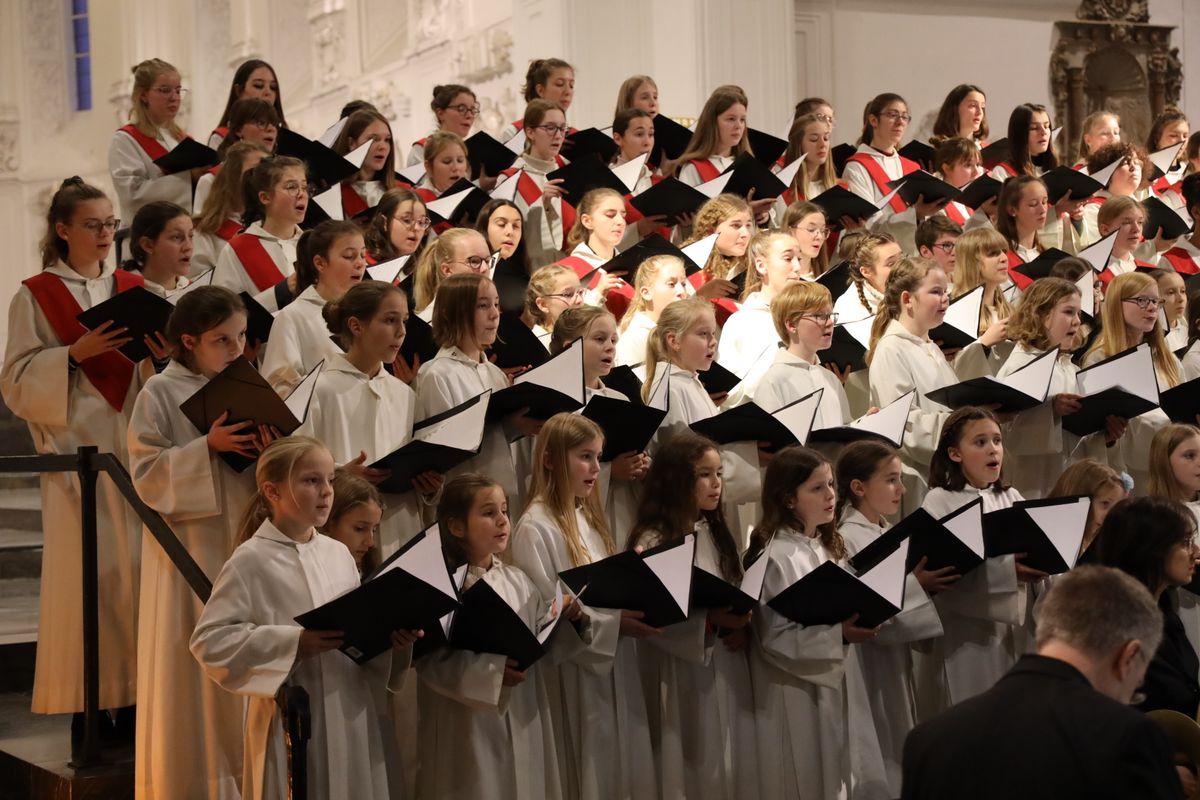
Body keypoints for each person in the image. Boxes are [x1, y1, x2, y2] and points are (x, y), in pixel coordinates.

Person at [190, 436, 415, 800]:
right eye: (311, 481)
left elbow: (356, 631)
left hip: (348, 709)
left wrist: (391, 641)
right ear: (272, 491)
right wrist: (293, 643)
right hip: (293, 715)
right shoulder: (251, 560)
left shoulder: (338, 554)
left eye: (329, 480)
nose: (326, 492)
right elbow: (210, 642)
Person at [1, 178, 144, 727]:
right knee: (91, 580)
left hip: (134, 446)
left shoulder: (133, 286)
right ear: (63, 231)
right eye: (93, 225)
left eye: (111, 224)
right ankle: (91, 704)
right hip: (77, 454)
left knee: (135, 575)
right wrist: (72, 355)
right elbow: (14, 379)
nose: (106, 234)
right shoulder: (36, 294)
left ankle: (137, 696)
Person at [127, 286, 268, 799]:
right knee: (192, 675)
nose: (236, 351)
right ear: (187, 341)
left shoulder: (245, 385)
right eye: (222, 341)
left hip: (242, 539)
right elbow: (144, 475)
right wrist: (205, 448)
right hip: (192, 546)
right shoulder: (160, 393)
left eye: (242, 339)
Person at [901, 564, 1183, 800]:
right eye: (1137, 684)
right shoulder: (1128, 737)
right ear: (1129, 655)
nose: (1128, 699)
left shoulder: (927, 740)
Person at [509, 414, 658, 800]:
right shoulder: (534, 526)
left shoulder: (586, 515)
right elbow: (545, 611)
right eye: (585, 457)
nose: (596, 468)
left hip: (613, 664)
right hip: (575, 673)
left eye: (598, 457)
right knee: (588, 768)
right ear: (549, 460)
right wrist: (611, 623)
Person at [748, 446, 889, 800]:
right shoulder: (774, 556)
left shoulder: (827, 546)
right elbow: (772, 636)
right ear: (788, 498)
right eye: (817, 488)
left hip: (836, 680)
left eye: (831, 485)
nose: (831, 496)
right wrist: (836, 634)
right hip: (794, 690)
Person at [415, 474, 565, 799]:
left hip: (525, 711)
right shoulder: (442, 588)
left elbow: (538, 630)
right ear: (456, 527)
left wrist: (560, 616)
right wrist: (493, 672)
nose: (502, 521)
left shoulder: (517, 579)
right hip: (468, 722)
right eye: (488, 513)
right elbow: (429, 661)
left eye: (505, 511)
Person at [627, 432, 759, 800]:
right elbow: (655, 616)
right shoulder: (654, 540)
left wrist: (742, 624)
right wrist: (711, 622)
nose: (715, 484)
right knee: (689, 763)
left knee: (729, 761)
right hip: (680, 670)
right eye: (704, 474)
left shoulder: (714, 532)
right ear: (676, 479)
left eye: (718, 474)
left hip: (725, 664)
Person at [1091, 496, 1200, 718]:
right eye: (1185, 542)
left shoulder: (1164, 613)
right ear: (1152, 548)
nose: (1196, 552)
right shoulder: (1116, 630)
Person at [108, 58, 198, 222]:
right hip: (146, 236)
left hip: (187, 232)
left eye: (178, 90)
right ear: (143, 95)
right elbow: (132, 195)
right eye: (165, 90)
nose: (174, 97)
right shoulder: (125, 140)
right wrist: (189, 178)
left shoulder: (181, 138)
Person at [406, 84, 478, 167]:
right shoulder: (422, 150)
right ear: (440, 113)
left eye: (472, 110)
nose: (469, 115)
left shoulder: (472, 152)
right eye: (461, 108)